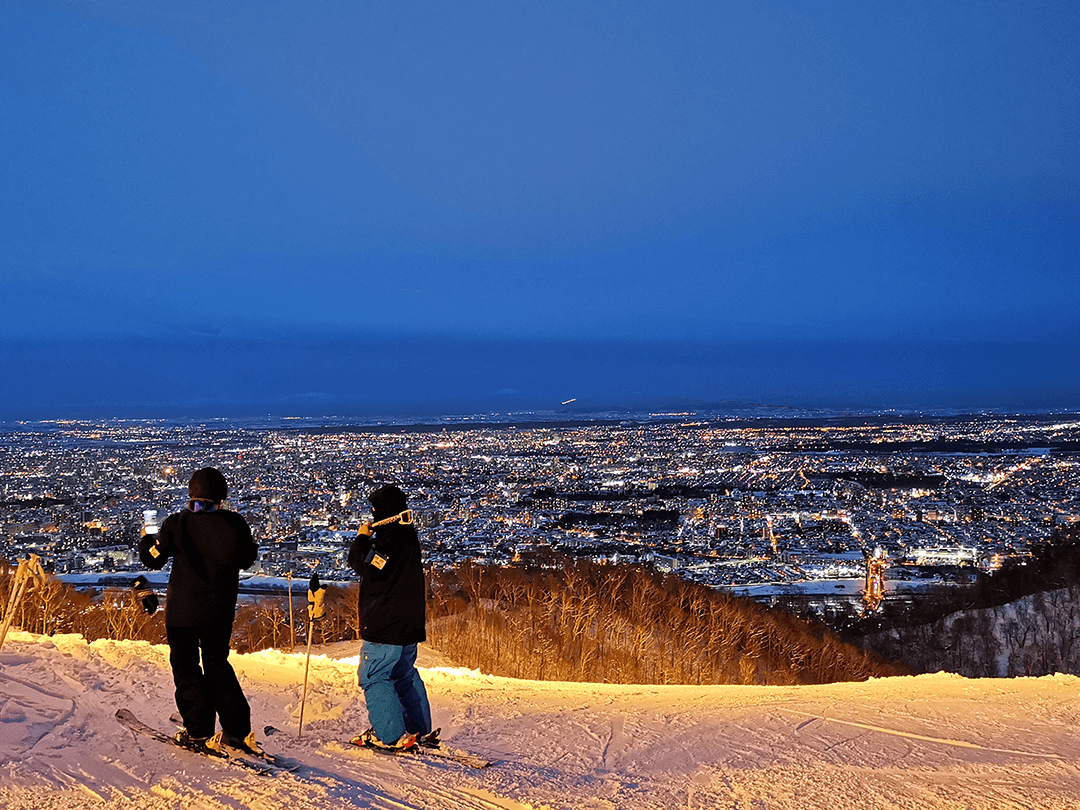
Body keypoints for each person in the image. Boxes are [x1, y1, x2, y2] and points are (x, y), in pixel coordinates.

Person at [138, 467, 260, 755]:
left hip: (182, 614)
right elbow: (247, 558)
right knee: (218, 666)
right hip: (219, 613)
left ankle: (199, 731)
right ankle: (237, 731)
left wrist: (147, 537)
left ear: (192, 492)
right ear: (222, 495)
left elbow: (152, 559)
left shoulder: (177, 523)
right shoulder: (235, 524)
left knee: (187, 669)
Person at [347, 484, 432, 750]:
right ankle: (419, 730)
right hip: (409, 622)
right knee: (404, 674)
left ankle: (391, 735)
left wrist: (362, 539)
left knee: (374, 675)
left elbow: (365, 564)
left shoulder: (388, 539)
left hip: (386, 624)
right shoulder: (407, 534)